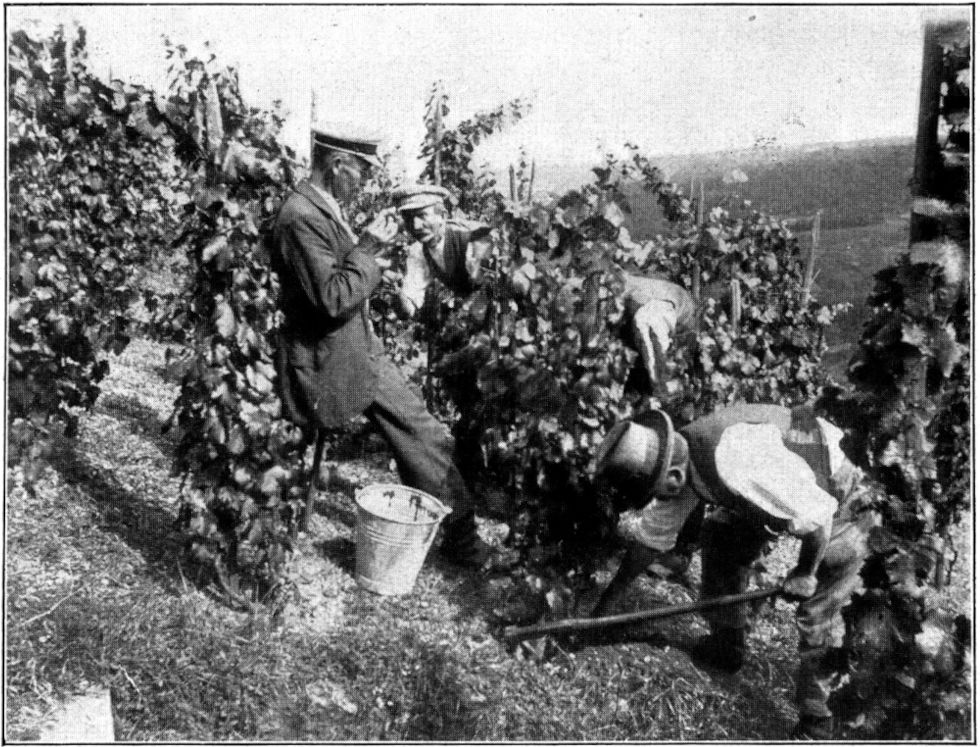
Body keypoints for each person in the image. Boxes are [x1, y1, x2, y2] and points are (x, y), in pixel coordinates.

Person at [270, 124, 492, 568]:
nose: (367, 181)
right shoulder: (301, 216)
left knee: (422, 435)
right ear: (339, 164)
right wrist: (368, 249)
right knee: (424, 435)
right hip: (335, 356)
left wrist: (372, 268)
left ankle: (455, 531)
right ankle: (462, 540)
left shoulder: (318, 207)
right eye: (364, 171)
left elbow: (336, 279)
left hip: (354, 346)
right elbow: (333, 298)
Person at [593, 403, 872, 740]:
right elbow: (650, 542)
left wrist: (804, 572)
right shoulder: (683, 456)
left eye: (654, 492)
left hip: (844, 499)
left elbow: (818, 520)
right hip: (800, 489)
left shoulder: (734, 457)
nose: (656, 500)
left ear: (672, 477)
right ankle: (727, 645)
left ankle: (818, 720)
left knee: (820, 609)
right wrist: (601, 613)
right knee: (721, 534)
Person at [391, 184, 695, 394]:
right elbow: (411, 300)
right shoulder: (419, 252)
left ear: (442, 214)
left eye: (422, 216)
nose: (416, 226)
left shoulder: (476, 240)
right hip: (544, 308)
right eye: (409, 219)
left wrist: (471, 350)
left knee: (629, 351)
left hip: (588, 303)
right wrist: (401, 299)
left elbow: (492, 302)